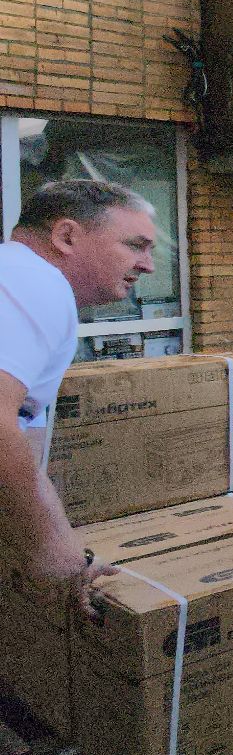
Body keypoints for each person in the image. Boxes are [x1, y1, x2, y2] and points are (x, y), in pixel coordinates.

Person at [0, 180, 154, 621]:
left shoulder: (22, 279)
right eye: (135, 245)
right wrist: (50, 547)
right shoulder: (33, 283)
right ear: (66, 236)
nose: (147, 265)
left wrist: (69, 555)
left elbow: (22, 430)